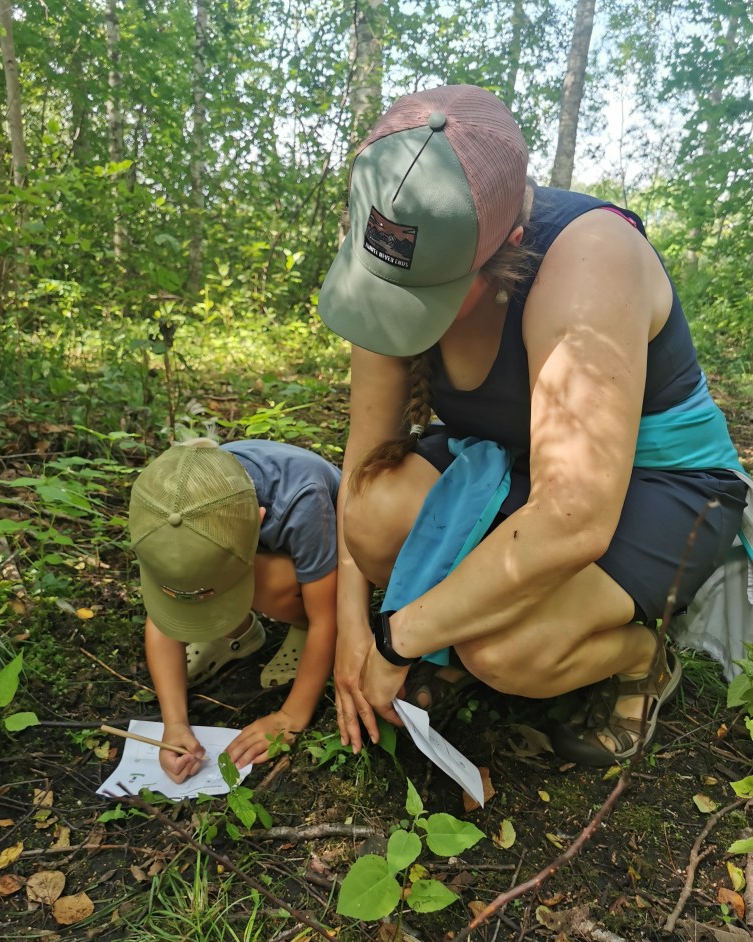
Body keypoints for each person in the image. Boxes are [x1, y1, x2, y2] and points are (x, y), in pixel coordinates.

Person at [317, 83, 749, 766]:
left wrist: (399, 640)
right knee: (375, 510)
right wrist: (350, 630)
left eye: (426, 298)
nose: (394, 310)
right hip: (511, 466)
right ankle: (470, 628)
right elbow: (364, 459)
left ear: (508, 249)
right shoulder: (397, 247)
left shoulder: (589, 259)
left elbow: (573, 519)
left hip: (658, 483)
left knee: (506, 652)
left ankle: (641, 655)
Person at [128, 437, 340, 782]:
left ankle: (295, 624)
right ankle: (236, 631)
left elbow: (328, 618)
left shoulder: (302, 501)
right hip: (255, 554)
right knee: (209, 574)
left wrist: (290, 716)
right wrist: (175, 724)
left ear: (258, 521)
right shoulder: (165, 508)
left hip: (325, 568)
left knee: (266, 579)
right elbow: (160, 620)